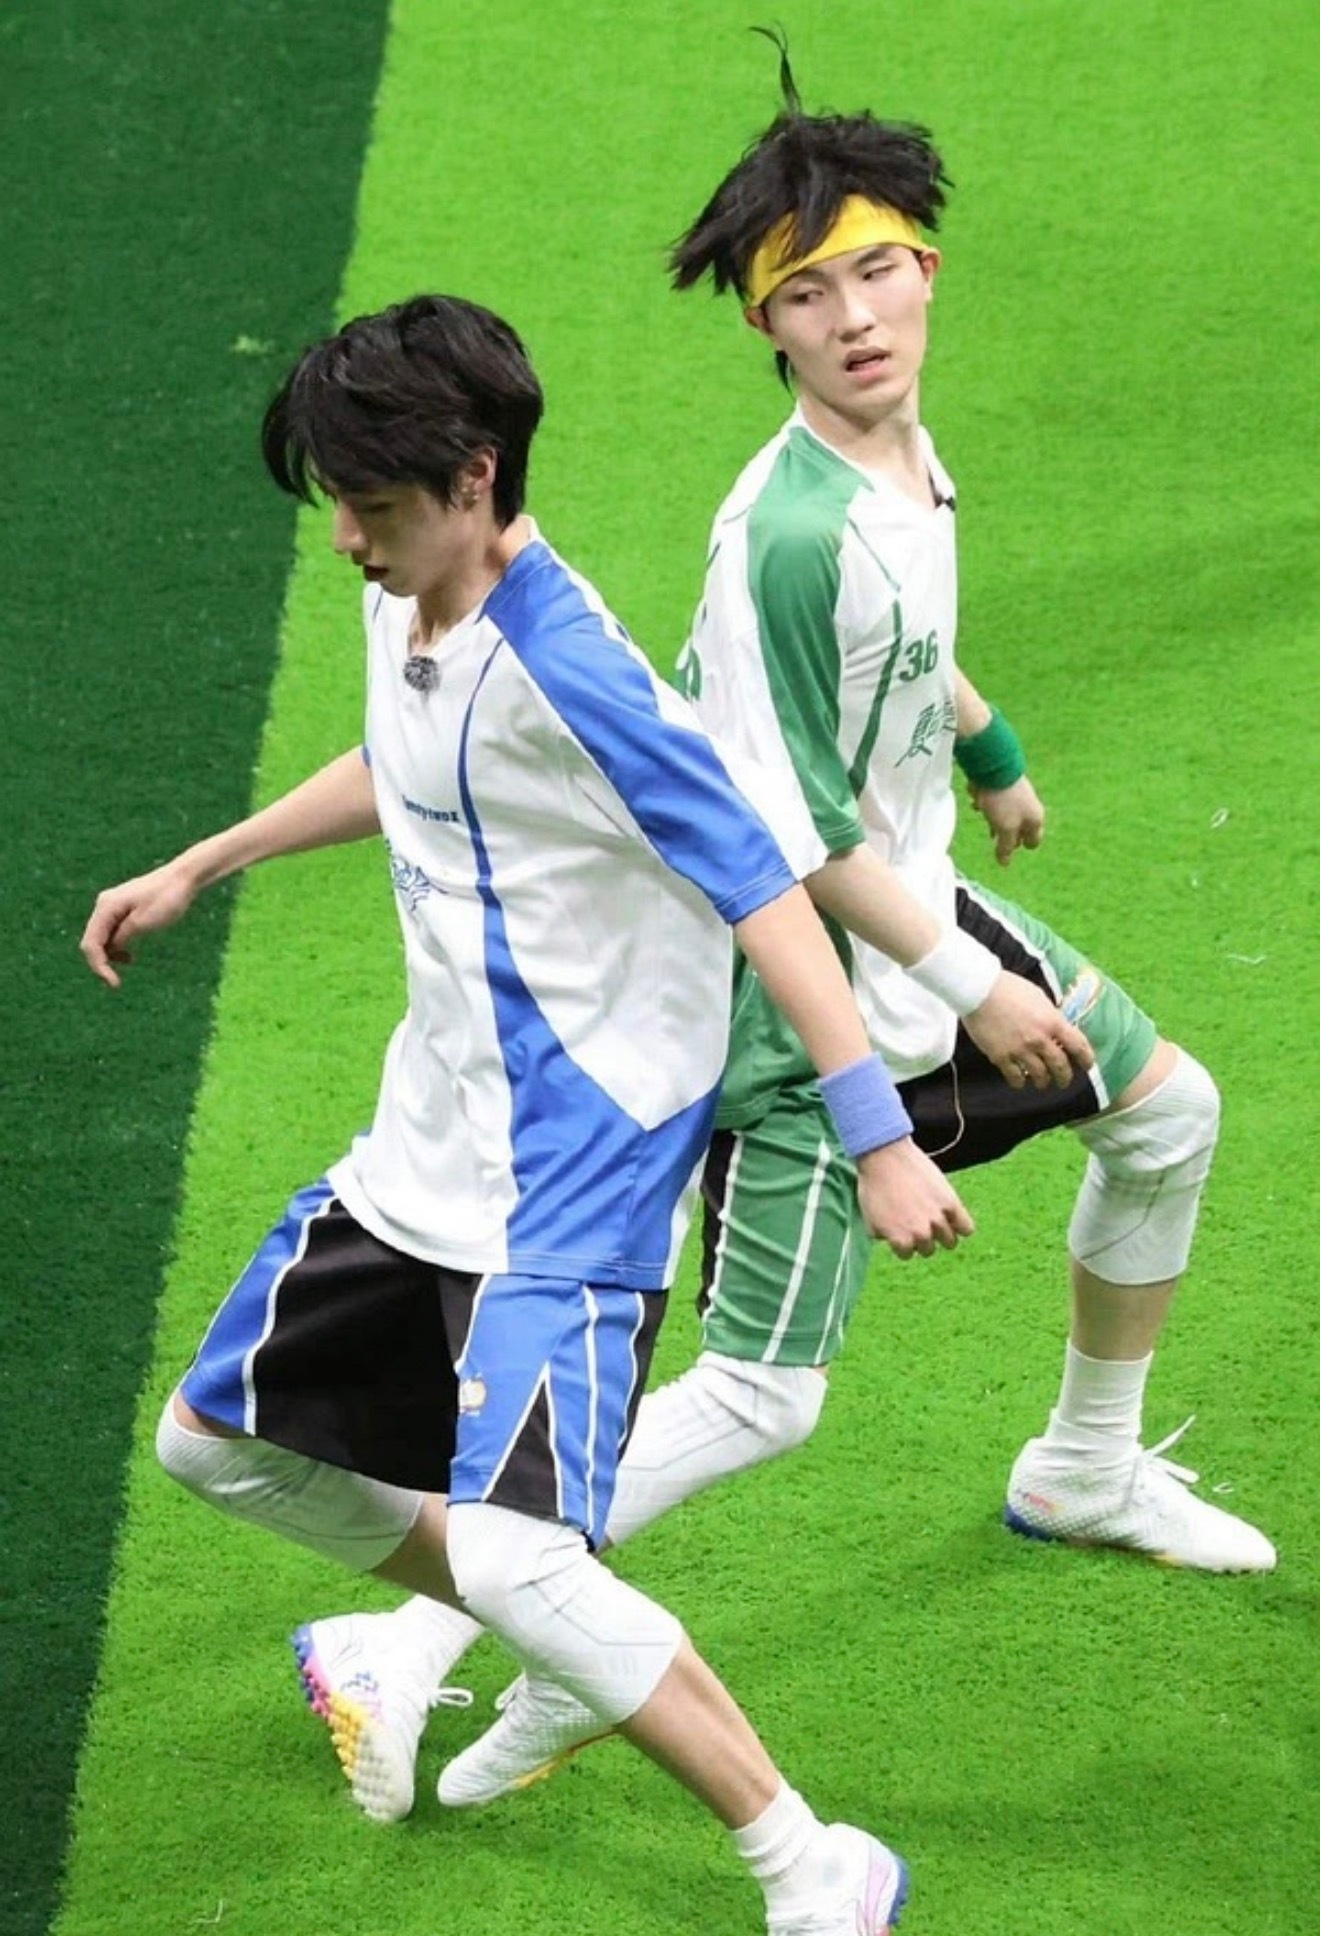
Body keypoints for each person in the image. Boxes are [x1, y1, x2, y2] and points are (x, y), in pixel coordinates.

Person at [312, 59, 1277, 1830]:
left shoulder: (895, 463)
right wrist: (977, 987)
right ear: (765, 325)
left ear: (928, 269)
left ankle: (1082, 1467)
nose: (855, 319)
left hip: (915, 908)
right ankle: (414, 1629)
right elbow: (789, 839)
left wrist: (986, 745)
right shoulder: (786, 532)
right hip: (792, 986)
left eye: (877, 271)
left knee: (1170, 1117)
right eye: (807, 294)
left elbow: (895, 653)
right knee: (765, 1393)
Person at [79, 293, 991, 1933]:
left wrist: (877, 1134)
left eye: (373, 503)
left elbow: (768, 892)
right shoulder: (407, 596)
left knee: (511, 1558)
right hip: (427, 1144)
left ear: (476, 479)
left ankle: (813, 1866)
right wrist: (205, 862)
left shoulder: (579, 679)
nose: (345, 537)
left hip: (579, 1171)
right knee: (214, 1447)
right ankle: (563, 1627)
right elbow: (405, 759)